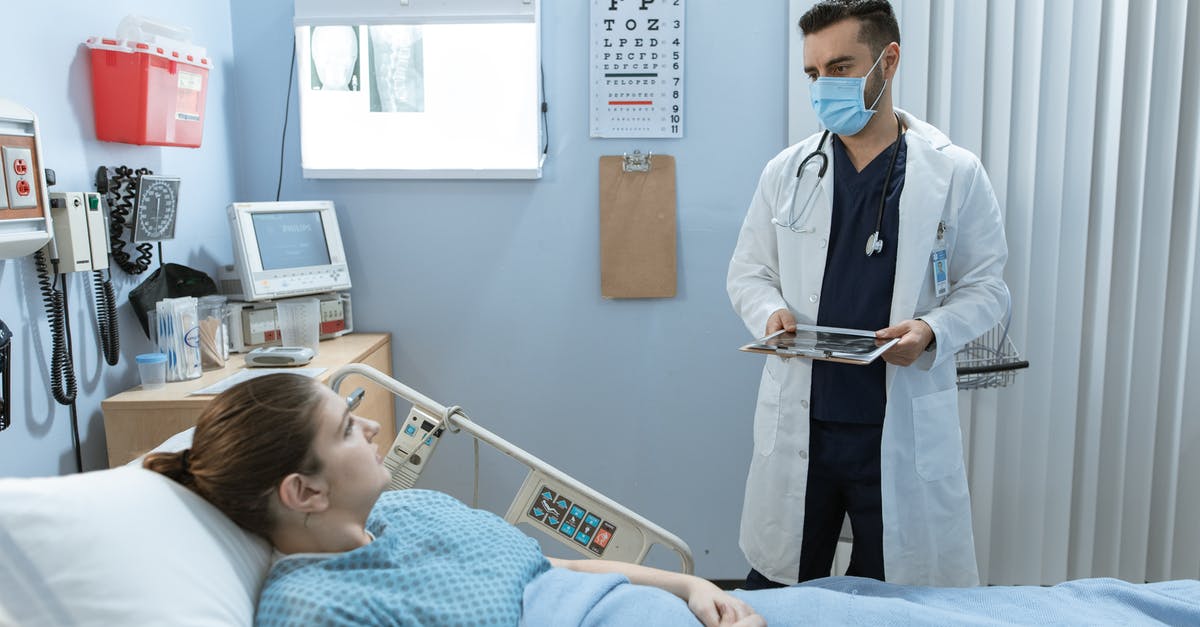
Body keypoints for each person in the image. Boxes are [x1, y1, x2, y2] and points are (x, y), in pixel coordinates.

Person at [727, 0, 1009, 589]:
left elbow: (987, 288)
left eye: (840, 67)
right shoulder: (788, 170)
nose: (824, 86)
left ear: (890, 60)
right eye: (813, 74)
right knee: (780, 585)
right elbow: (748, 272)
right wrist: (769, 312)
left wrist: (932, 331)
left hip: (895, 420)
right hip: (807, 417)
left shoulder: (953, 173)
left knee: (893, 594)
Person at [144, 373, 764, 627]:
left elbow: (555, 566)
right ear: (304, 490)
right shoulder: (315, 607)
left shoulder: (409, 511)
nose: (373, 430)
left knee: (862, 598)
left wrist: (687, 587)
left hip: (676, 610)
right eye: (346, 429)